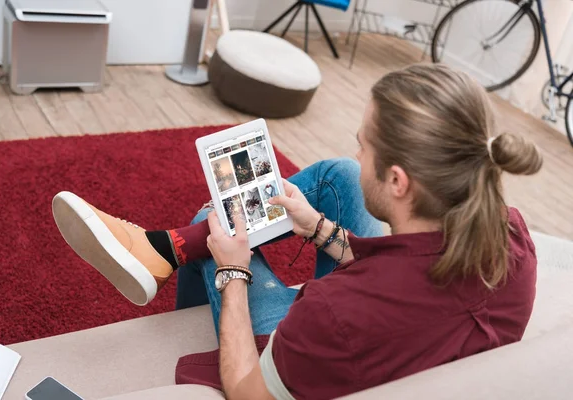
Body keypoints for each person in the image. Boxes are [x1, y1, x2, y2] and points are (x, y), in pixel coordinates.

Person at [52, 64, 542, 400]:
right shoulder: (513, 238)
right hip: (400, 328)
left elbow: (250, 391)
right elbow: (410, 275)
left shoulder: (332, 313)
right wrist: (320, 230)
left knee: (215, 224)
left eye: (365, 146)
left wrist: (233, 273)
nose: (359, 152)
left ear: (398, 181)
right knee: (340, 178)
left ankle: (173, 251)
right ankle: (166, 250)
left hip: (322, 349)